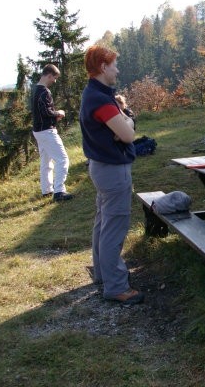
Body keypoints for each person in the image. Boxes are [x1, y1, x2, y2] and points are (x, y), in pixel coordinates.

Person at [79, 45, 143, 305]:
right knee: (114, 227)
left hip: (100, 167)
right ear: (103, 67)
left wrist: (123, 122)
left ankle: (103, 275)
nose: (117, 69)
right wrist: (127, 122)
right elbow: (128, 135)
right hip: (112, 171)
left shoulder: (95, 94)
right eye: (114, 65)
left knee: (103, 222)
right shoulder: (101, 99)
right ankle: (116, 286)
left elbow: (123, 127)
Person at [31, 64, 73, 201]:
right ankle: (59, 191)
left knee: (46, 161)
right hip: (47, 131)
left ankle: (47, 190)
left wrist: (53, 115)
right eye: (54, 78)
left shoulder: (35, 90)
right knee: (62, 159)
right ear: (49, 75)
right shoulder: (44, 92)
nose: (54, 81)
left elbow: (41, 112)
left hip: (38, 131)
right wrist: (59, 113)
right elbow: (46, 112)